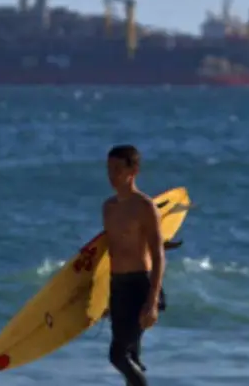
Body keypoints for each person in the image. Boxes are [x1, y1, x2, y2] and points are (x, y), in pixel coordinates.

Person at [102, 145, 165, 386]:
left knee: (118, 356)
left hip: (140, 286)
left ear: (134, 170)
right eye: (109, 169)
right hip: (118, 287)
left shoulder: (144, 206)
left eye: (118, 169)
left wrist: (152, 302)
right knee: (131, 357)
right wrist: (106, 297)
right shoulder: (108, 207)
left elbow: (158, 256)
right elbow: (111, 254)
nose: (112, 175)